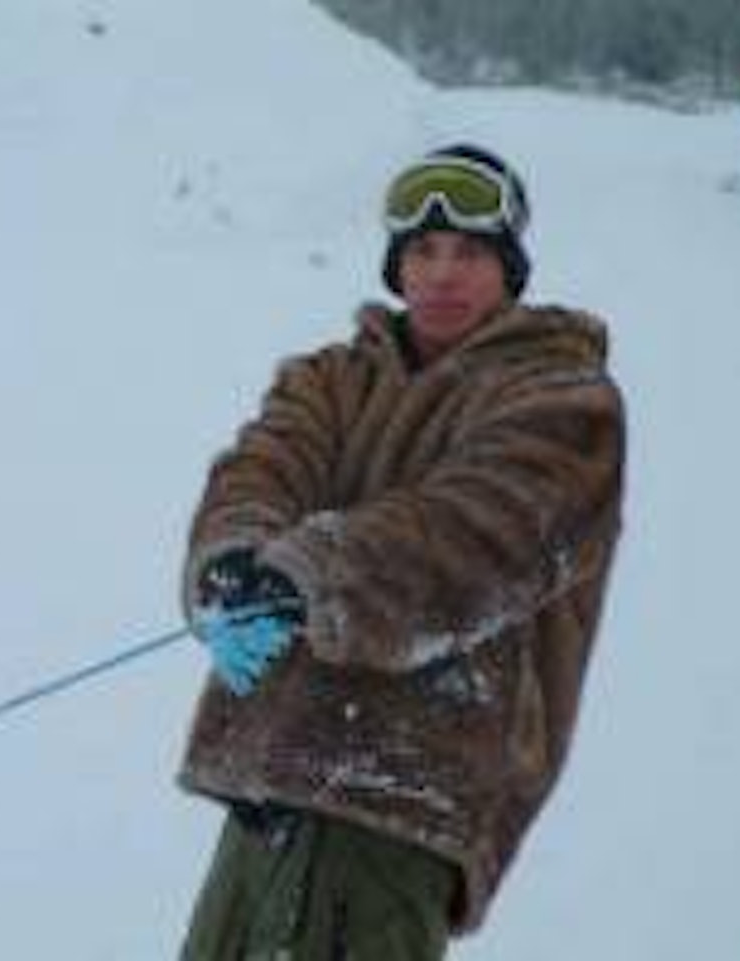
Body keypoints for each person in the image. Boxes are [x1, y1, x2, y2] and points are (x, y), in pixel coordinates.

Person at [176, 144, 626, 960]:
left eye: (470, 253)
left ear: (510, 268)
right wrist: (231, 559)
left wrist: (311, 571)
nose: (442, 273)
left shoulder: (567, 400)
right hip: (269, 776)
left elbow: (483, 533)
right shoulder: (328, 377)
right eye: (422, 251)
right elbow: (264, 465)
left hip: (401, 795)